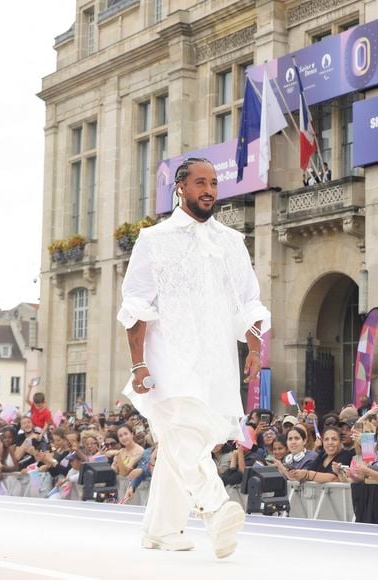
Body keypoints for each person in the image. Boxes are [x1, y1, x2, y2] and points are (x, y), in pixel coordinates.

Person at [118, 157, 270, 558]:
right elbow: (135, 305)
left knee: (189, 438)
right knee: (183, 429)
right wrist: (139, 364)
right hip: (168, 356)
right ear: (181, 188)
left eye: (214, 183)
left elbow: (249, 301)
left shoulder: (231, 243)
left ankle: (162, 530)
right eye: (200, 182)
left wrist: (255, 348)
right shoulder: (154, 239)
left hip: (215, 359)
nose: (209, 190)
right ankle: (216, 508)